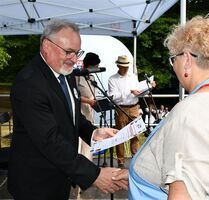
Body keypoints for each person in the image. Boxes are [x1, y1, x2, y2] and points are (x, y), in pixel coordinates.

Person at [112, 16, 209, 199]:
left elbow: (183, 192)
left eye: (174, 59)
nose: (173, 66)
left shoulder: (189, 113)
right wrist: (139, 177)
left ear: (188, 60)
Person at [8, 19, 126, 200]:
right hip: (36, 184)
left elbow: (71, 113)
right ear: (47, 46)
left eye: (77, 52)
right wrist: (94, 174)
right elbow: (49, 140)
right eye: (69, 52)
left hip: (60, 177)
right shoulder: (29, 83)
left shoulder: (65, 73)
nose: (74, 59)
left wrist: (93, 132)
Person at [76, 52, 100, 161]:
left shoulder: (92, 77)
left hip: (89, 113)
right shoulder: (77, 76)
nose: (98, 68)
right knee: (77, 144)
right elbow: (74, 96)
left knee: (88, 143)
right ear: (90, 65)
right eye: (96, 66)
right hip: (79, 113)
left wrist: (94, 102)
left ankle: (87, 165)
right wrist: (89, 101)